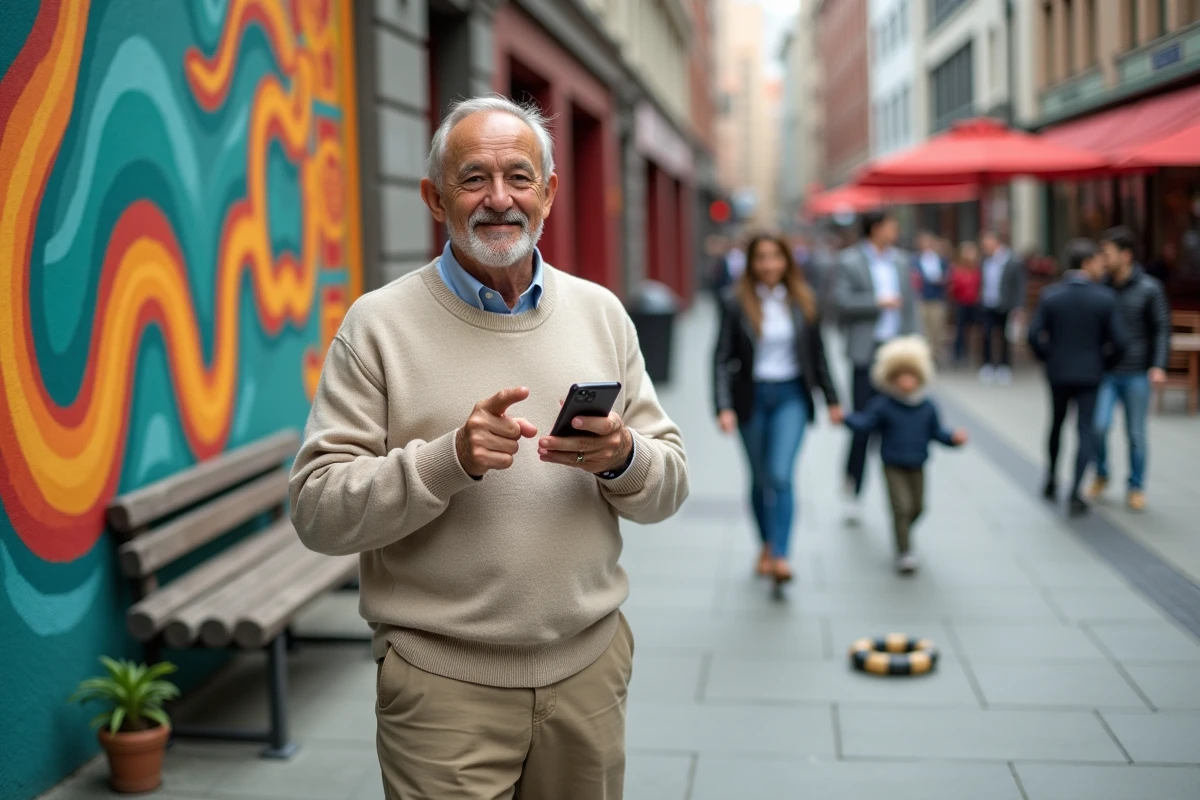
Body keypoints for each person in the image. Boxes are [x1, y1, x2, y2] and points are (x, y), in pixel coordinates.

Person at [289, 96, 689, 800]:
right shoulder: (377, 325)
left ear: (550, 192)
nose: (498, 199)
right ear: (434, 198)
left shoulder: (602, 312)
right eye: (473, 178)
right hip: (442, 692)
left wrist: (622, 456)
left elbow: (670, 484)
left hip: (589, 671)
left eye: (519, 177)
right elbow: (318, 509)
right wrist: (450, 460)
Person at [712, 233, 843, 588]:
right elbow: (722, 357)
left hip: (792, 397)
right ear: (752, 263)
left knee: (781, 474)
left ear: (787, 261)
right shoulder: (734, 301)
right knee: (759, 478)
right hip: (751, 398)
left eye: (776, 257)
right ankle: (767, 545)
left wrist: (832, 400)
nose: (769, 264)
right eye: (762, 257)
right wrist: (723, 406)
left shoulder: (804, 300)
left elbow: (818, 356)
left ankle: (782, 554)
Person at [843, 336, 967, 574]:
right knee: (900, 506)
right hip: (892, 464)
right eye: (900, 375)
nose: (906, 381)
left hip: (917, 463)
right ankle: (904, 550)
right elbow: (865, 424)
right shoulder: (883, 405)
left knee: (917, 507)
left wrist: (953, 439)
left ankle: (903, 532)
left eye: (910, 375)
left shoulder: (927, 406)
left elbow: (937, 432)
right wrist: (846, 419)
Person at [1026, 239, 1128, 516]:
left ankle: (1051, 478)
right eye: (1097, 261)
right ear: (1086, 263)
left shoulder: (1051, 295)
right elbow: (1120, 342)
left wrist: (1048, 357)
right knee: (1085, 430)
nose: (1101, 266)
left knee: (1056, 424)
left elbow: (1033, 335)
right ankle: (1075, 492)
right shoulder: (1104, 298)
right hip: (1090, 374)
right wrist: (1103, 363)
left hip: (1058, 372)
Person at [832, 209, 918, 524]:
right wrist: (877, 302)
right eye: (893, 224)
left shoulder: (901, 261)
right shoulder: (849, 261)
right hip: (865, 354)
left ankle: (896, 495)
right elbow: (840, 302)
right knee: (863, 423)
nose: (896, 230)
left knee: (897, 424)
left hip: (897, 354)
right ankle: (853, 487)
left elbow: (911, 307)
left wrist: (916, 346)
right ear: (877, 228)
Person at [1089, 226, 1171, 513]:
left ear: (1126, 255)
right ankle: (1101, 472)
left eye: (1107, 253)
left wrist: (1158, 365)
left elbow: (1161, 329)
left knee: (1136, 434)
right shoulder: (1101, 287)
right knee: (1097, 426)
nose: (1103, 258)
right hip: (1106, 371)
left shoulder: (1150, 288)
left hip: (1137, 372)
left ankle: (1136, 486)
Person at [978, 230, 1025, 385]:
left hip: (1005, 304)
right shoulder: (984, 260)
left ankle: (1005, 366)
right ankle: (988, 365)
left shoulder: (1011, 260)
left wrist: (1018, 306)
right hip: (987, 303)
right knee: (986, 334)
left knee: (1005, 336)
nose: (985, 247)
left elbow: (1019, 285)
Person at [914, 231, 948, 363]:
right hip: (922, 298)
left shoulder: (940, 259)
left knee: (937, 329)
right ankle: (926, 355)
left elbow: (947, 276)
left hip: (937, 298)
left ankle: (936, 356)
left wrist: (941, 280)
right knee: (924, 329)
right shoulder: (915, 260)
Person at [948, 240, 983, 366]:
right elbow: (953, 287)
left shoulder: (978, 269)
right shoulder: (957, 269)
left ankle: (976, 354)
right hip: (961, 303)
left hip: (975, 303)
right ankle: (959, 355)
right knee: (960, 330)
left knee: (977, 330)